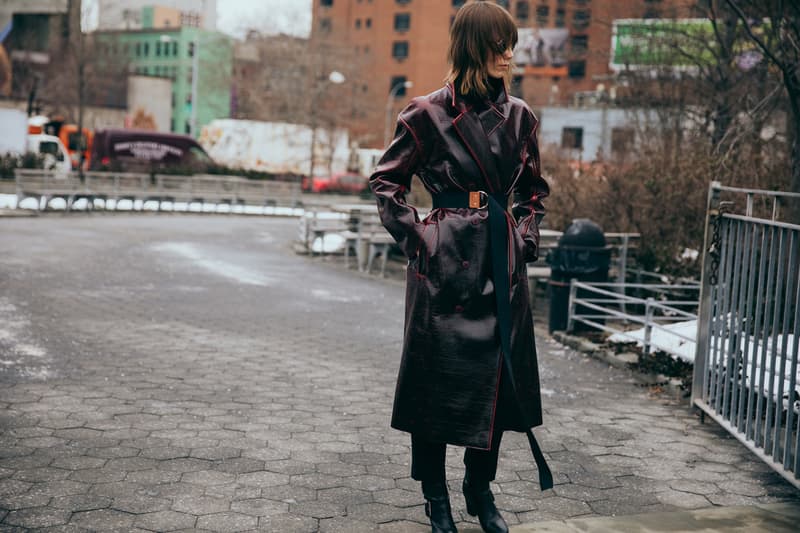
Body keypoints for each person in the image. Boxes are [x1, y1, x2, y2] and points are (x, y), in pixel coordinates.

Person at [369, 2, 553, 533]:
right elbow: (386, 183)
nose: (510, 54)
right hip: (444, 263)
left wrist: (525, 238)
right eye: (501, 44)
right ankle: (435, 495)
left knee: (496, 381)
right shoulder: (425, 113)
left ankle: (479, 488)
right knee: (435, 384)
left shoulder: (520, 116)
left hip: (500, 260)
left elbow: (534, 194)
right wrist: (423, 238)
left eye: (512, 43)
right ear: (476, 47)